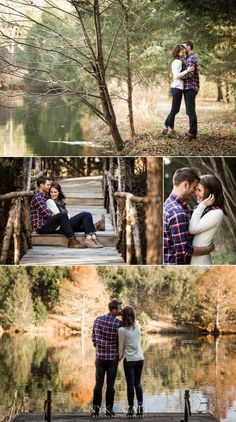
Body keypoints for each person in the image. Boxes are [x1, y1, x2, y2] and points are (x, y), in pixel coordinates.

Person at [164, 167, 215, 265]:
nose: (195, 192)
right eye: (194, 187)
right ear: (185, 184)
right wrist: (207, 249)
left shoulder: (169, 204)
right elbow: (184, 251)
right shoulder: (178, 213)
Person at [30, 176, 84, 249]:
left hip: (48, 224)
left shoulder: (44, 196)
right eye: (48, 185)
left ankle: (90, 227)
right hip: (42, 227)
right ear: (42, 185)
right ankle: (72, 240)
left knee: (66, 219)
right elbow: (47, 214)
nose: (49, 187)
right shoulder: (37, 197)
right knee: (62, 215)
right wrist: (57, 215)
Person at [47, 182, 105, 249]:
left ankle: (93, 238)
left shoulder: (59, 202)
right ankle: (88, 238)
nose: (53, 194)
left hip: (66, 224)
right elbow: (59, 215)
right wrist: (72, 218)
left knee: (86, 221)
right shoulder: (49, 201)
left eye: (55, 192)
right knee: (86, 214)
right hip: (62, 227)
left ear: (59, 192)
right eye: (51, 192)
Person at [92, 299, 123, 417]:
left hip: (99, 358)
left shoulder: (98, 320)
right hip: (112, 359)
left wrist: (100, 348)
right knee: (110, 385)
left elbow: (94, 339)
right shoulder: (118, 324)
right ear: (114, 309)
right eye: (120, 309)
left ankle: (95, 410)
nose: (121, 311)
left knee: (98, 383)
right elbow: (120, 343)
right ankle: (109, 411)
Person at [189, 174, 225, 265]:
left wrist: (202, 205)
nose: (195, 193)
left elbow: (192, 229)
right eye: (196, 189)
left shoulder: (217, 212)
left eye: (199, 190)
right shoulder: (203, 209)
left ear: (210, 193)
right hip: (194, 258)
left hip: (201, 261)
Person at [162, 44, 194, 138]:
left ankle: (165, 127)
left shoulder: (180, 60)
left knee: (175, 109)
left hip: (178, 87)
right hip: (177, 88)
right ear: (177, 52)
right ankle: (170, 130)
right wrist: (187, 71)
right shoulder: (177, 61)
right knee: (175, 109)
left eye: (184, 51)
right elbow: (176, 76)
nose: (184, 53)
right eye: (182, 52)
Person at [118, 306, 144, 418]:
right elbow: (136, 322)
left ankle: (131, 408)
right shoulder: (138, 327)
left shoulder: (122, 330)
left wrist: (119, 358)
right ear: (133, 316)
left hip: (129, 359)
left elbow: (121, 347)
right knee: (137, 383)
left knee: (130, 384)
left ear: (123, 316)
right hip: (140, 358)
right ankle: (140, 407)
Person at [183, 40, 200, 140]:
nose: (182, 47)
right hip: (189, 88)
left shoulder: (191, 58)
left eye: (184, 46)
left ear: (189, 47)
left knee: (191, 111)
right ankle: (192, 131)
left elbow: (189, 74)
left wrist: (178, 76)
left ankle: (192, 133)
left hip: (190, 87)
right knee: (189, 111)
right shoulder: (188, 58)